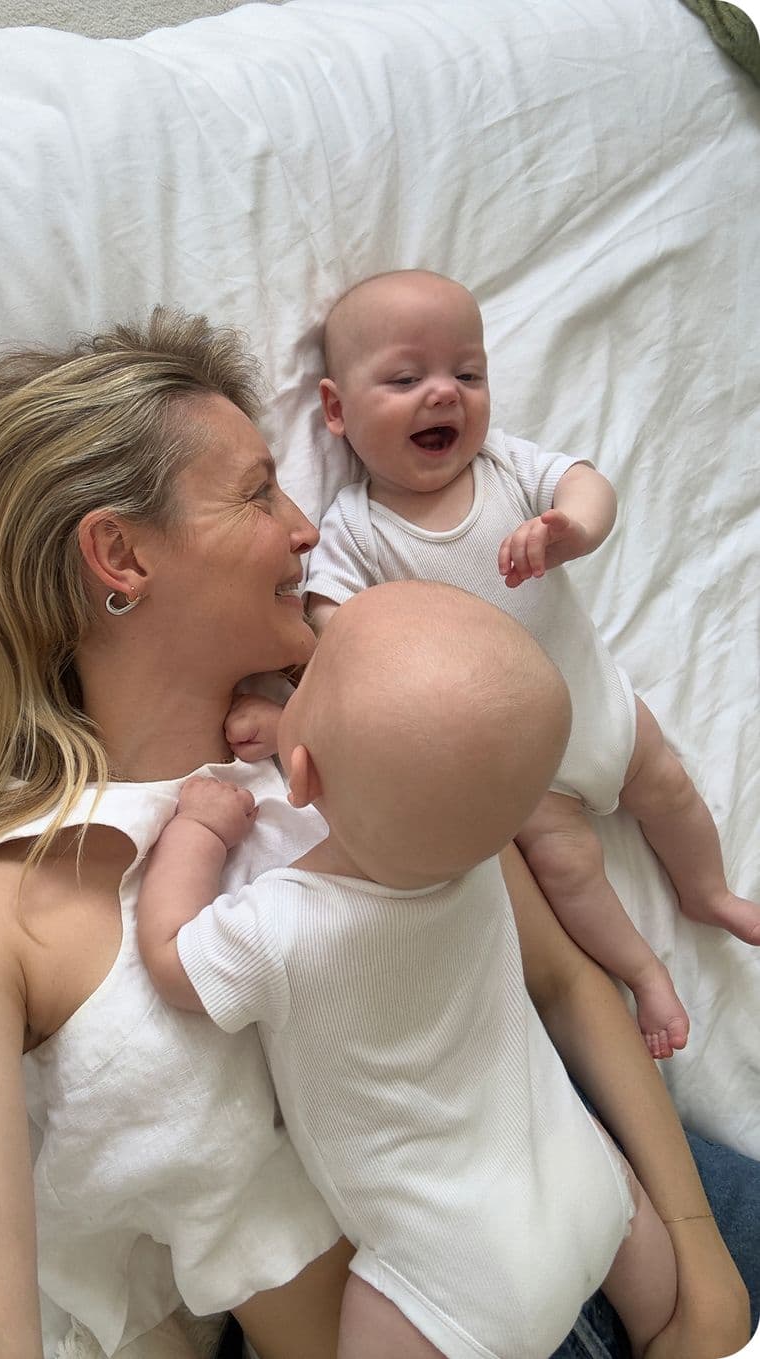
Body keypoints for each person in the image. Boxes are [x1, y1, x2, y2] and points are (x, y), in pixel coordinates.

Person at [0, 307, 751, 1359]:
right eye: (258, 490)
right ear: (118, 554)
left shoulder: (386, 742)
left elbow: (562, 983)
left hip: (640, 1212)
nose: (307, 526)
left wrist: (699, 1271)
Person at [138, 580, 683, 1359]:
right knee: (662, 1312)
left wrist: (198, 830)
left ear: (302, 777)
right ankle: (663, 1327)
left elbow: (169, 959)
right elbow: (406, 777)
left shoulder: (285, 928)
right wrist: (300, 733)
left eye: (310, 679)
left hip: (449, 1282)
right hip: (590, 1187)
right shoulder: (475, 861)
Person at [292, 267, 760, 1062]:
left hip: (601, 706)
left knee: (671, 788)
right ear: (336, 410)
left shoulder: (505, 468)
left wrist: (574, 527)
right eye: (406, 378)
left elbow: (589, 483)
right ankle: (645, 974)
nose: (445, 394)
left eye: (467, 374)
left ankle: (708, 891)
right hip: (521, 766)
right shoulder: (356, 529)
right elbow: (331, 625)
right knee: (571, 870)